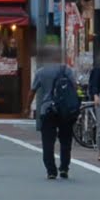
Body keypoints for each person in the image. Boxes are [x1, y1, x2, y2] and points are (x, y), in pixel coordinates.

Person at [27, 46, 81, 180]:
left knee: (48, 141)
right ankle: (64, 168)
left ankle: (51, 170)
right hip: (65, 110)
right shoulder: (66, 70)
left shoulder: (41, 72)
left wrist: (27, 106)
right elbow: (74, 87)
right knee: (65, 140)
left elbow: (32, 90)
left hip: (47, 109)